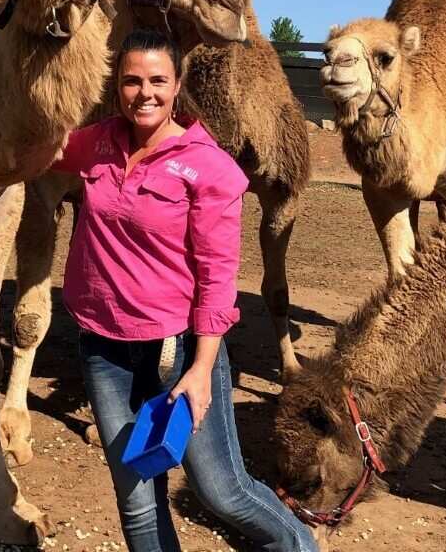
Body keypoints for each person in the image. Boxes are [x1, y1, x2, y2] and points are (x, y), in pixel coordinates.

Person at [51, 29, 319, 552]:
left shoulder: (208, 166)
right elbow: (37, 142)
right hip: (104, 350)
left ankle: (299, 547)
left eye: (157, 80)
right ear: (117, 85)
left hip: (177, 353)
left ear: (176, 86)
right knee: (137, 501)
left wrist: (201, 371)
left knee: (222, 491)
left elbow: (219, 281)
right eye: (132, 81)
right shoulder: (98, 142)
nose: (144, 93)